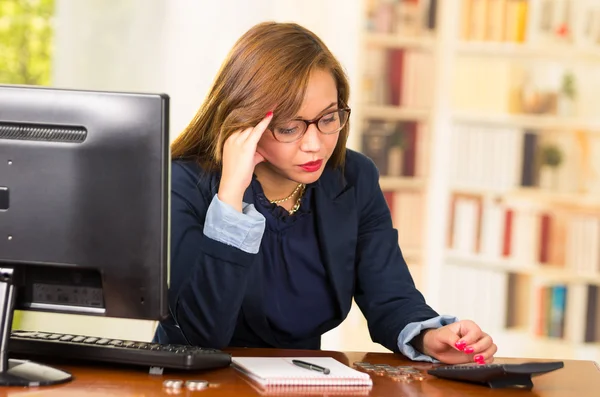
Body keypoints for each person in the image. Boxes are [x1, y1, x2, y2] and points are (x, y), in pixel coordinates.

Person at [154, 21, 497, 364]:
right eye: (290, 127)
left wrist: (429, 335)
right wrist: (230, 198)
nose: (315, 145)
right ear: (244, 122)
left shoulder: (353, 178)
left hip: (301, 381)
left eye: (328, 119)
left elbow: (390, 295)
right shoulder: (184, 183)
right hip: (194, 382)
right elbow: (199, 335)